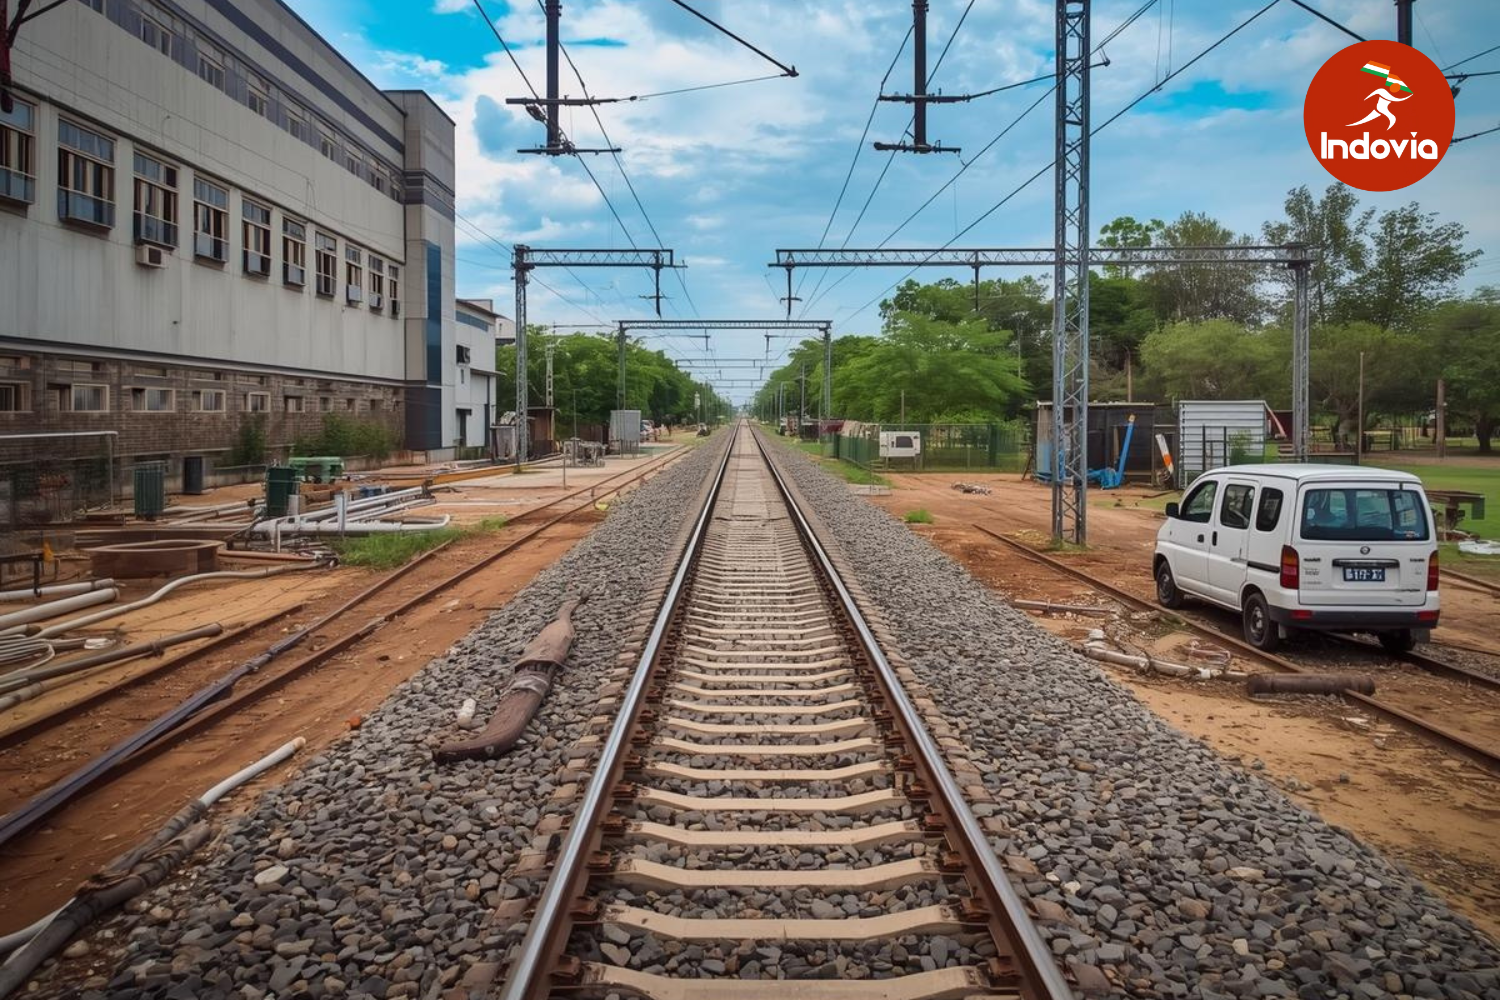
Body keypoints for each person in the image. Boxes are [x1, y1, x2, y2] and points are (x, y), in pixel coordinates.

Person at [1346, 83, 1412, 131]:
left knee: (1392, 118)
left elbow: (1401, 98)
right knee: (1391, 118)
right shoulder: (1383, 92)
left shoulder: (1383, 92)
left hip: (1381, 110)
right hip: (1379, 109)